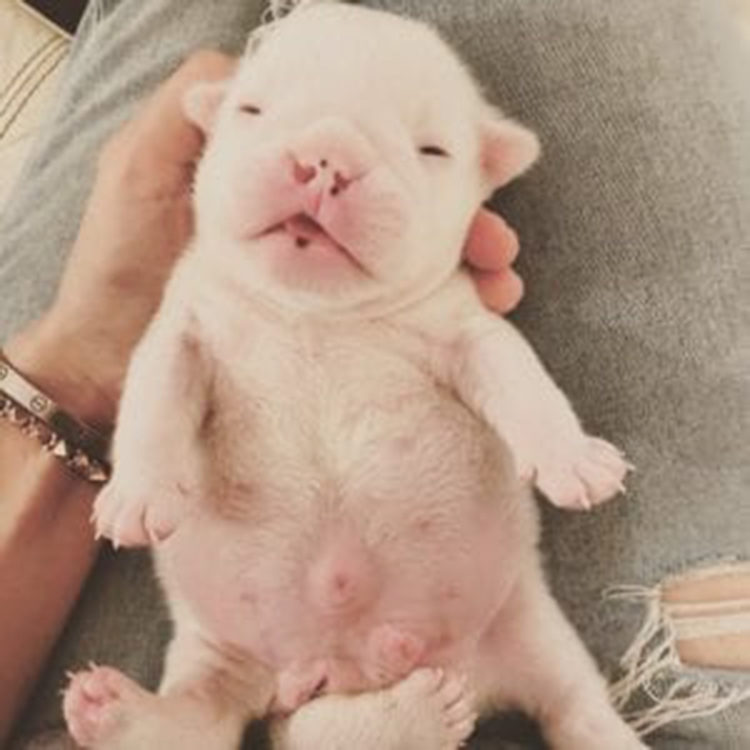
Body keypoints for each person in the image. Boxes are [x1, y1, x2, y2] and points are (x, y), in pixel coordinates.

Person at [0, 1, 747, 748]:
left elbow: (484, 352)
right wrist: (147, 462)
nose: (323, 172)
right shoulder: (204, 293)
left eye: (429, 150)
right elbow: (172, 360)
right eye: (255, 112)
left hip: (464, 622)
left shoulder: (434, 305)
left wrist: (552, 441)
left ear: (488, 168)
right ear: (213, 121)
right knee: (216, 671)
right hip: (280, 630)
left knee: (548, 668)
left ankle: (554, 720)